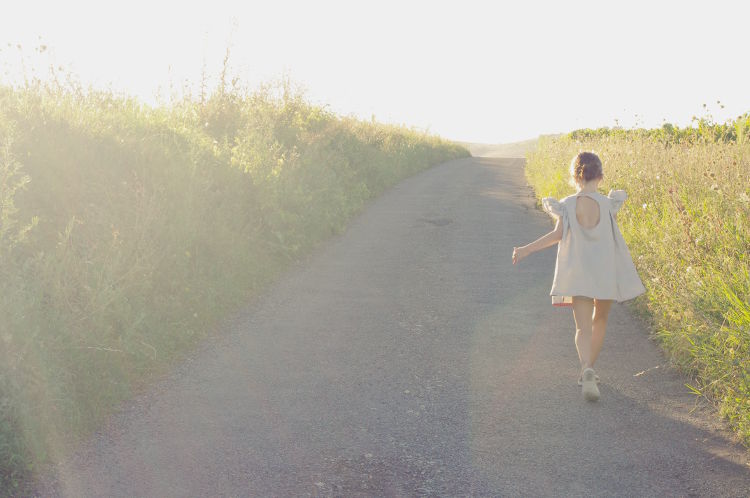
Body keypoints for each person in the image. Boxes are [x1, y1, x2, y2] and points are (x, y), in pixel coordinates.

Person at [512, 152, 645, 401]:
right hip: (605, 271)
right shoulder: (609, 204)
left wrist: (526, 249)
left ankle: (585, 368)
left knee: (582, 328)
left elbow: (556, 236)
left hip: (579, 273)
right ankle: (589, 369)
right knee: (600, 321)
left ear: (575, 177)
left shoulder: (568, 205)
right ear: (600, 176)